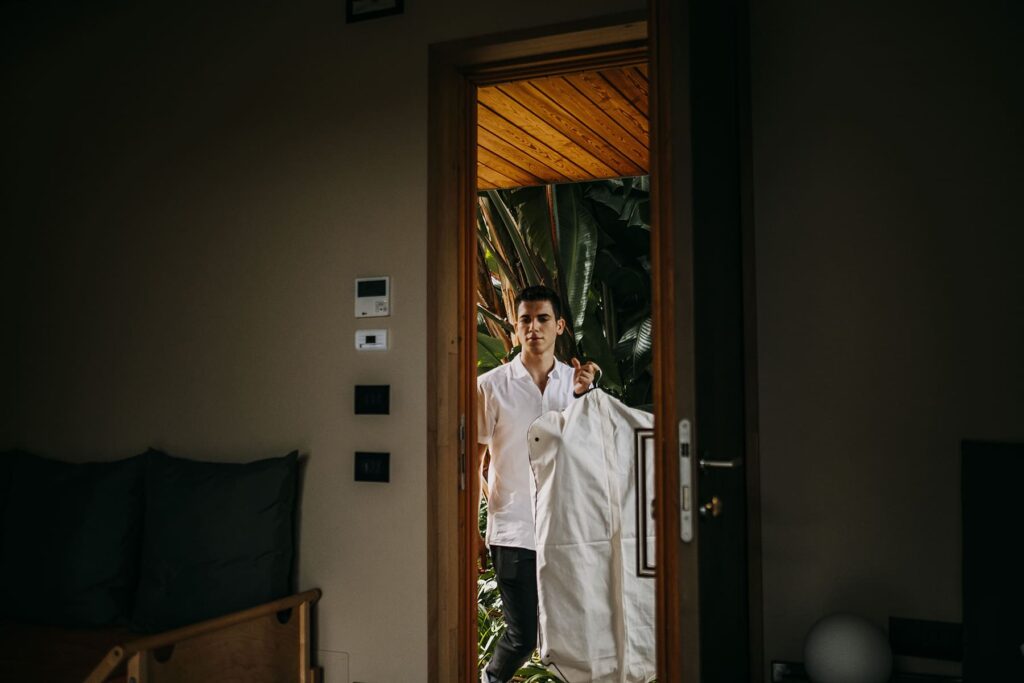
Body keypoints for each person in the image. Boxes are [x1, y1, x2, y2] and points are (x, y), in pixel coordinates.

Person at [476, 284, 600, 683]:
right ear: (515, 327)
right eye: (525, 320)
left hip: (568, 529)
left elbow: (592, 451)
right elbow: (473, 462)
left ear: (559, 326)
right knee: (522, 635)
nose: (534, 328)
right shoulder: (491, 385)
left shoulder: (575, 383)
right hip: (513, 530)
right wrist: (475, 528)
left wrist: (584, 393)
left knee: (573, 631)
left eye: (543, 318)